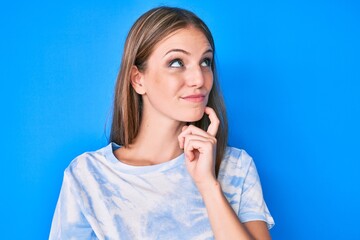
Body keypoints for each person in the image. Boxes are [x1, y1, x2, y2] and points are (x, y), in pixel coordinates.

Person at [49, 6, 274, 240]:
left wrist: (208, 185)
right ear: (138, 79)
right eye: (177, 63)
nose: (199, 79)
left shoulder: (236, 167)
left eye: (205, 62)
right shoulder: (88, 175)